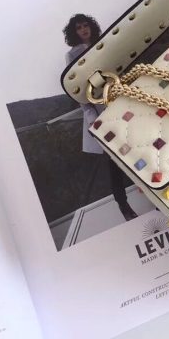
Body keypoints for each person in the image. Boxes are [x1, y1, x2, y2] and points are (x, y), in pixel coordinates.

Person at [63, 13, 138, 221]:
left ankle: (151, 194)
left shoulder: (102, 43)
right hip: (98, 110)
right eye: (79, 27)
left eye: (85, 25)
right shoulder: (72, 55)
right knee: (113, 160)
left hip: (119, 102)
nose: (84, 30)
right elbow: (77, 89)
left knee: (135, 150)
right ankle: (123, 205)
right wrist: (91, 117)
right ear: (74, 32)